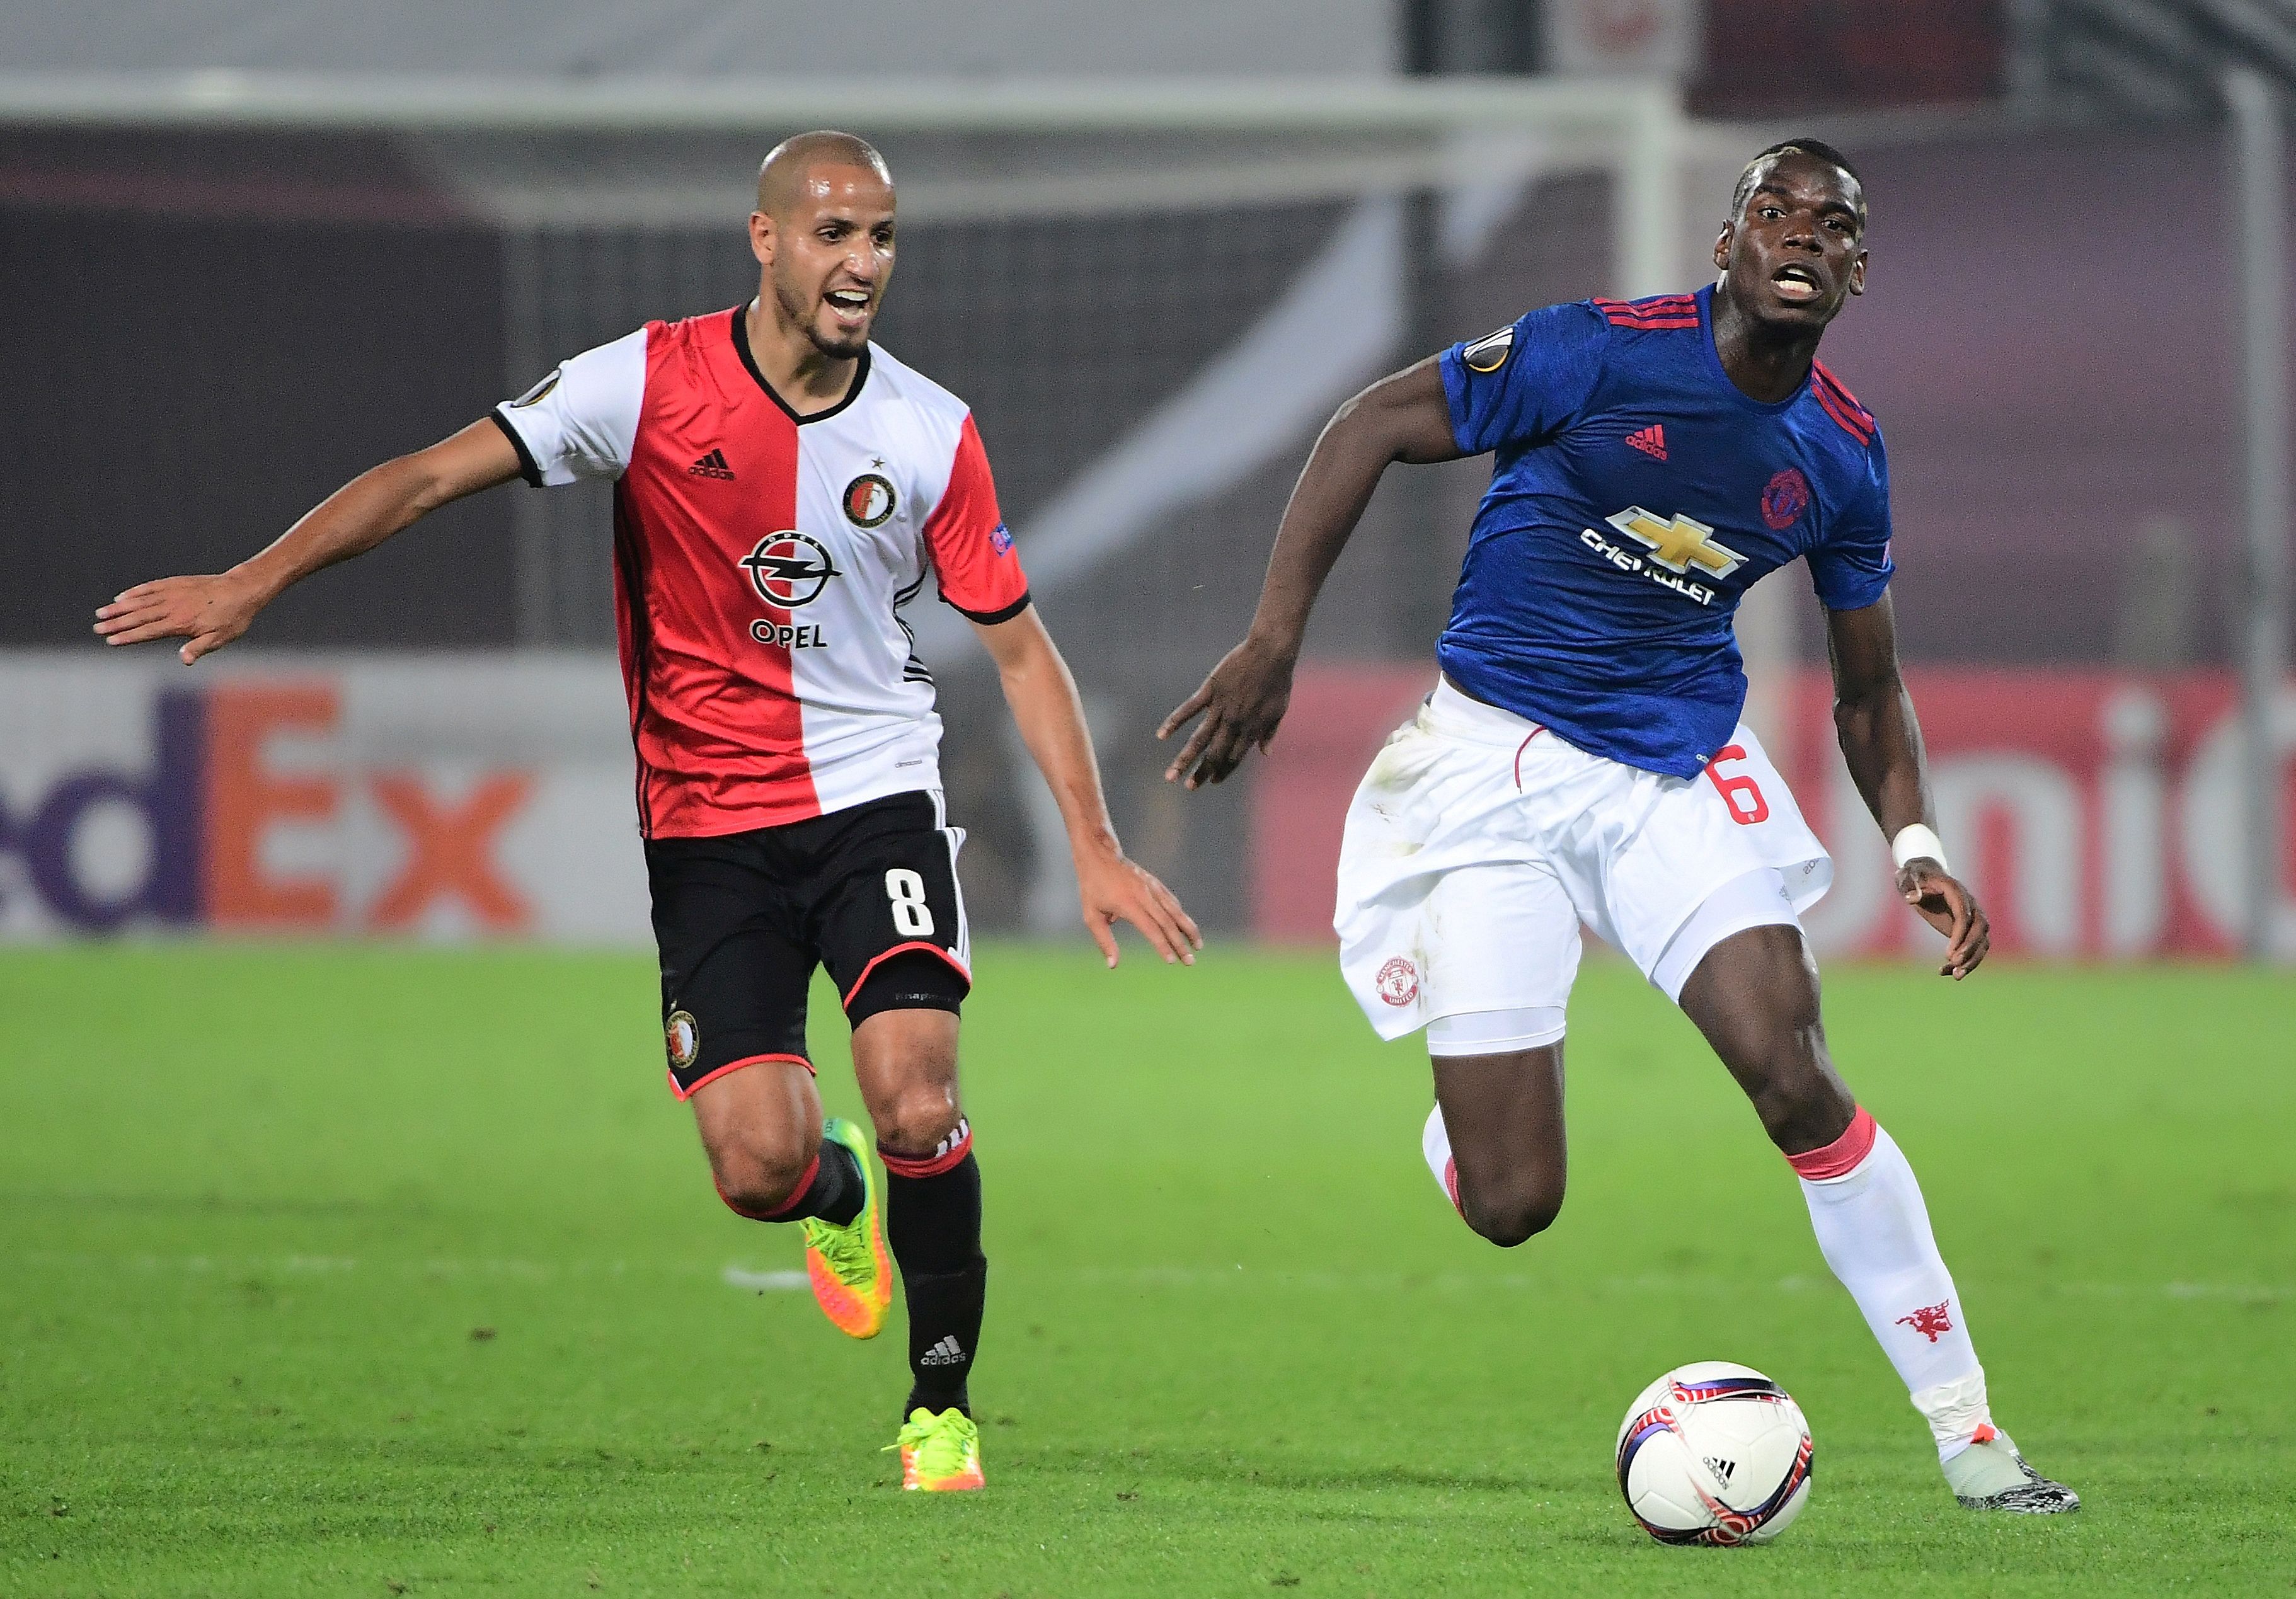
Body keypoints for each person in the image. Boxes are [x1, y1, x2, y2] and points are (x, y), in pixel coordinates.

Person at [96, 130, 1200, 1493]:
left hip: (874, 799)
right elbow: (435, 473)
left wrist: (1092, 845)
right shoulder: (645, 382)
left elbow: (1021, 650)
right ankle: (834, 1197)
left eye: (884, 238)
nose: (863, 264)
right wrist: (256, 580)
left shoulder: (929, 430)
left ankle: (942, 1406)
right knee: (756, 1166)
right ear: (767, 239)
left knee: (918, 1091)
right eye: (835, 234)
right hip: (706, 830)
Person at [1159, 139, 2075, 1516]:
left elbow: (1872, 688)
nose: (1801, 234)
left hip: (1671, 767)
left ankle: (1971, 1434)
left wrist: (1921, 850)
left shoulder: (1840, 452)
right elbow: (1366, 426)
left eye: (1833, 224)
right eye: (1775, 209)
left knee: (1794, 1071)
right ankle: (1469, 1117)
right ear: (1727, 239)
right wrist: (1274, 642)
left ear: (1857, 272)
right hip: (1489, 769)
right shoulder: (1591, 352)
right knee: (1514, 1203)